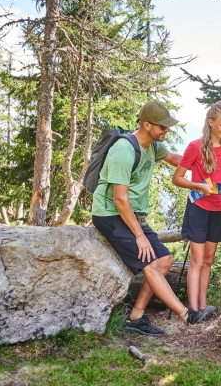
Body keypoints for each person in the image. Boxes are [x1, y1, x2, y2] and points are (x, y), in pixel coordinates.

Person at [91, 101, 214, 337]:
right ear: (146, 125)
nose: (167, 130)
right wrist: (139, 236)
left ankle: (135, 318)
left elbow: (178, 161)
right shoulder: (123, 150)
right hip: (110, 214)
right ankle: (188, 316)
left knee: (165, 259)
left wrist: (210, 167)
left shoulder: (153, 147)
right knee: (150, 262)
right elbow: (119, 199)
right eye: (162, 127)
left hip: (132, 215)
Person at [172, 101, 221, 319]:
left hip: (218, 209)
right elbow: (177, 178)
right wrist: (199, 185)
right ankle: (192, 311)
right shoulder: (195, 147)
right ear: (210, 123)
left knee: (209, 259)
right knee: (197, 260)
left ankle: (203, 307)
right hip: (198, 208)